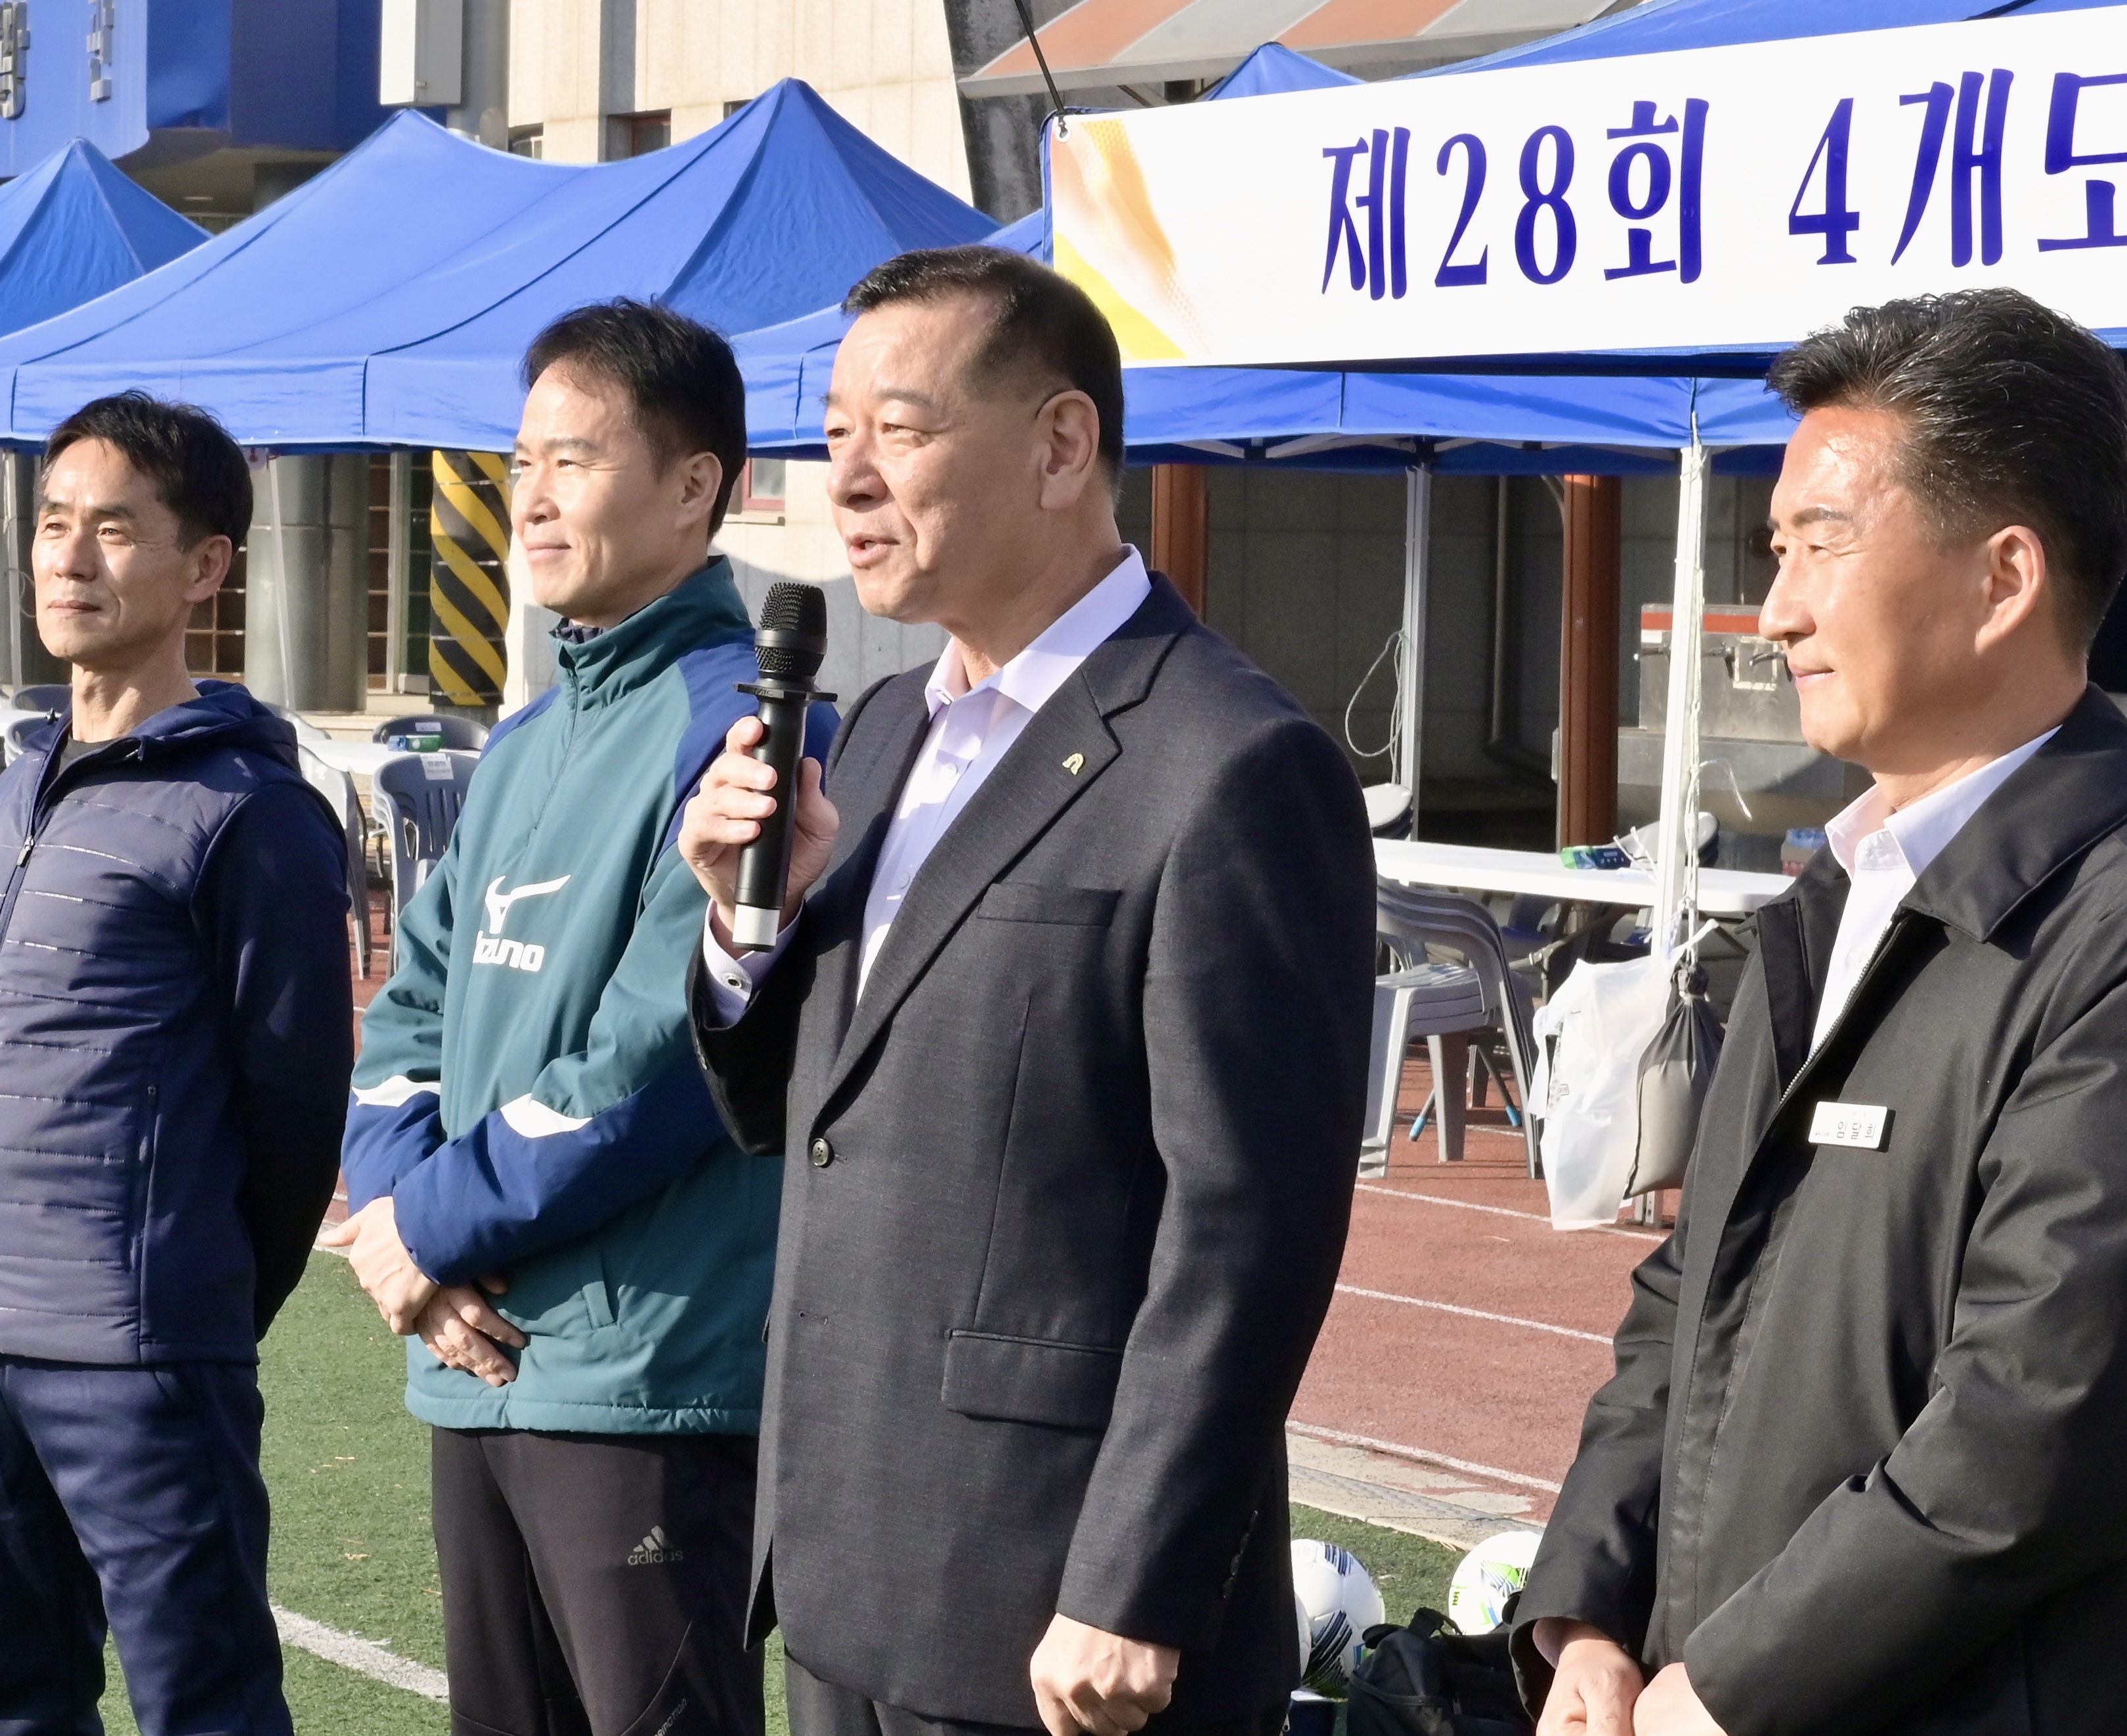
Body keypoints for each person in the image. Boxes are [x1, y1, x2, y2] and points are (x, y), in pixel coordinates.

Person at [677, 245, 1374, 1736]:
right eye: (835, 434)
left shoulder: (1230, 763)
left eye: (901, 430)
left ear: (1061, 445)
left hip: (1053, 1610)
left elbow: (1248, 1226)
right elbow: (801, 1114)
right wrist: (744, 931)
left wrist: (1135, 1581)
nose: (849, 479)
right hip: (845, 1559)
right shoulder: (879, 731)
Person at [1517, 290, 2127, 1736]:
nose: (1777, 608)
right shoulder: (1831, 900)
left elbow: (2037, 1416)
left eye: (1822, 542)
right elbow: (1690, 1292)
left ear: (2004, 577)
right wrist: (1588, 1608)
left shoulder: (2097, 923)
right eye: (1773, 549)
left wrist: (1735, 1687)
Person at [326, 299, 825, 1736]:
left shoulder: (741, 729)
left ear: (695, 486)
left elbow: (658, 1062)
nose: (532, 497)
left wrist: (425, 1231)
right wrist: (400, 1229)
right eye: (522, 460)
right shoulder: (530, 737)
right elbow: (407, 1013)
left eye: (576, 461)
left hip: (644, 1378)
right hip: (475, 1353)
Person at [0, 393, 351, 1736]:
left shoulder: (249, 812)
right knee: (8, 1702)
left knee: (203, 1707)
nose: (70, 558)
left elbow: (295, 1111)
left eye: (113, 529)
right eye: (54, 524)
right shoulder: (13, 792)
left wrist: (187, 1299)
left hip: (138, 1356)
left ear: (206, 566)